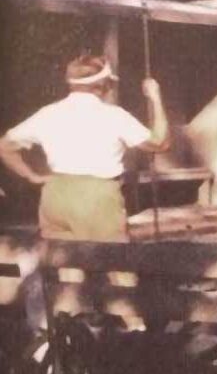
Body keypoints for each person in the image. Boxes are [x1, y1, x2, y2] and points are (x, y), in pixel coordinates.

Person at [0, 55, 170, 241]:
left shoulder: (48, 113)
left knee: (68, 263)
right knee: (118, 263)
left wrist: (31, 176)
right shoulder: (113, 116)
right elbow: (160, 143)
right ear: (103, 85)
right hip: (96, 198)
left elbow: (5, 146)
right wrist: (155, 97)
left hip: (56, 195)